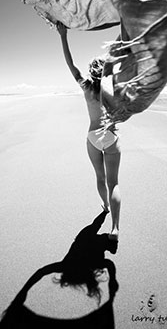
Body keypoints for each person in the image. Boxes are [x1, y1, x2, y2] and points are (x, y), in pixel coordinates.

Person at [56, 22, 121, 240]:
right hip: (111, 137)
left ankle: (105, 207)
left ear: (92, 71)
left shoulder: (86, 87)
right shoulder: (113, 87)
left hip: (93, 137)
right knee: (114, 183)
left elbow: (70, 63)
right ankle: (115, 229)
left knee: (100, 177)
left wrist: (63, 35)